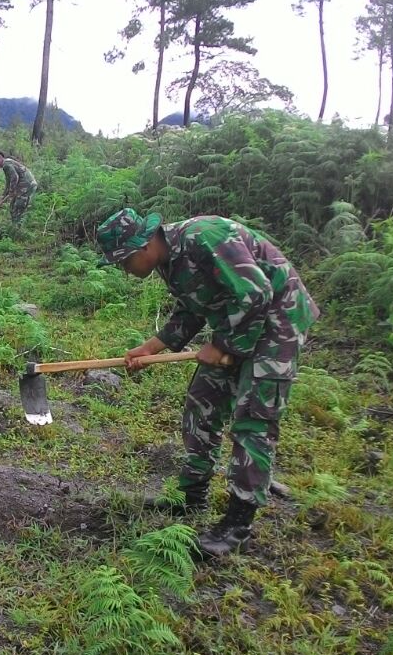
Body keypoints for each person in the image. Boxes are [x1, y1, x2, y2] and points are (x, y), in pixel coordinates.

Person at [96, 208, 319, 559]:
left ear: (142, 247)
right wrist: (151, 348)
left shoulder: (205, 237)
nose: (125, 271)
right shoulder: (168, 261)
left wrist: (222, 346)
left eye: (123, 263)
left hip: (278, 320)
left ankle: (238, 525)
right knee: (202, 403)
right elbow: (193, 308)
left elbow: (257, 292)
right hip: (238, 321)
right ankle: (191, 497)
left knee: (253, 419)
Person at [0, 151, 38, 226]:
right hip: (22, 187)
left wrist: (11, 191)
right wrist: (2, 197)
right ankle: (14, 226)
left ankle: (17, 229)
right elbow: (8, 182)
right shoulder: (7, 164)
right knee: (12, 208)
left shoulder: (7, 165)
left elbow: (15, 177)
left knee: (18, 208)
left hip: (27, 187)